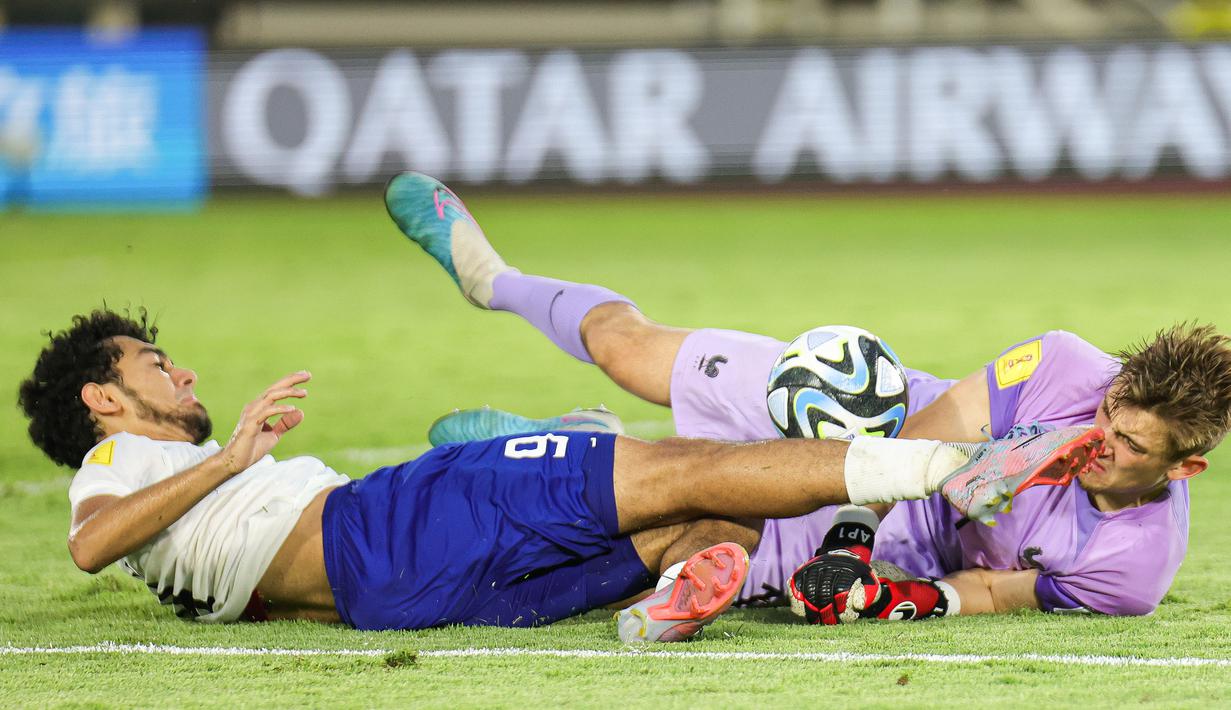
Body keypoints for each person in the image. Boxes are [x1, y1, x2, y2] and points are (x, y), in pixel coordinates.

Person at [383, 170, 1231, 620]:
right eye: (1106, 412)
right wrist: (854, 534)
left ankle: (575, 442)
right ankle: (496, 279)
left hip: (903, 542)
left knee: (665, 560)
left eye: (1128, 446)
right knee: (629, 351)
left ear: (1182, 468)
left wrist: (900, 597)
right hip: (857, 421)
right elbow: (924, 435)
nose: (1102, 435)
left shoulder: (1133, 569)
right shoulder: (1062, 363)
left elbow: (993, 593)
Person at [17, 309, 1100, 642]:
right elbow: (90, 541)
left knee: (703, 512)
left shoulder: (171, 481)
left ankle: (668, 604)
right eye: (153, 365)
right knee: (686, 465)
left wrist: (226, 475)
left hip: (392, 595)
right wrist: (239, 458)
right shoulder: (124, 459)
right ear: (103, 401)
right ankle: (947, 464)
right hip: (382, 523)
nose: (183, 369)